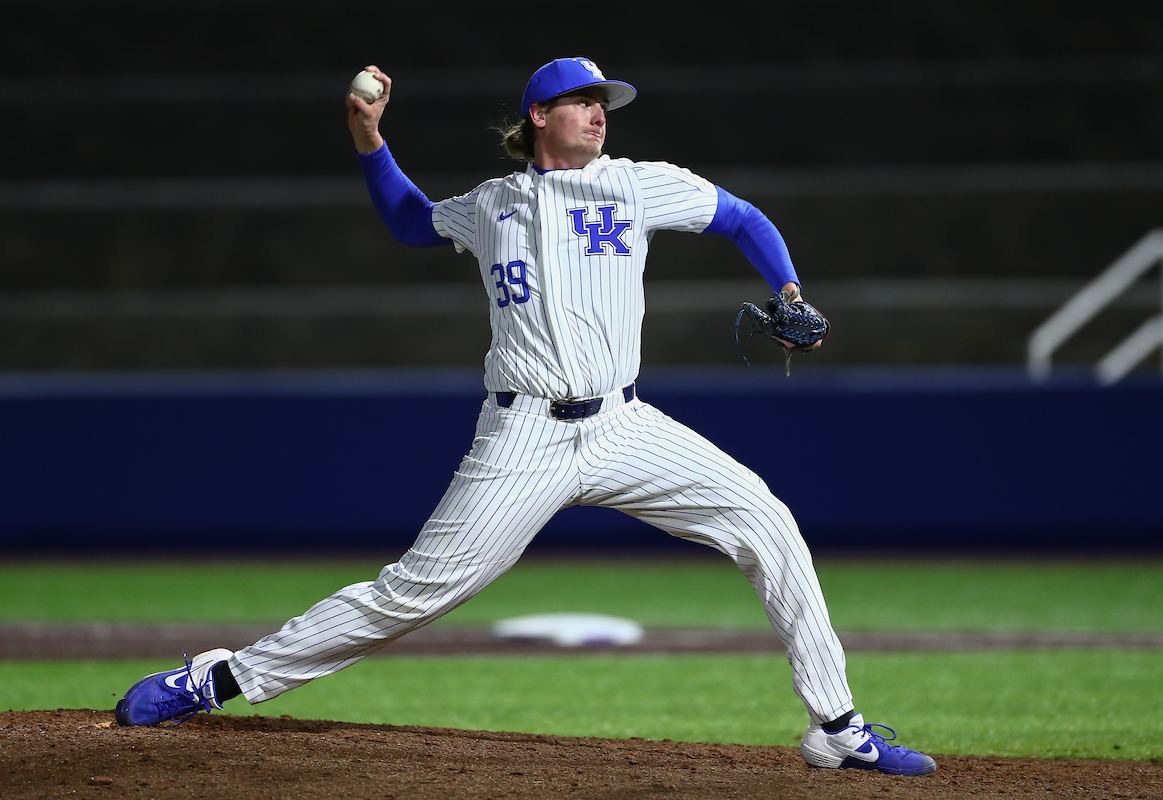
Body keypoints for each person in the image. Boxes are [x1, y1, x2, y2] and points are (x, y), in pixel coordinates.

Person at [113, 57, 936, 776]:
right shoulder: (492, 203)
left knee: (768, 520)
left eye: (605, 99)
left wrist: (789, 289)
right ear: (541, 115)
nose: (599, 110)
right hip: (524, 435)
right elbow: (408, 221)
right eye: (582, 99)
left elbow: (743, 218)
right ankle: (218, 679)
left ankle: (839, 728)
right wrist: (370, 136)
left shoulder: (639, 182)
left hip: (625, 425)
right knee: (411, 597)